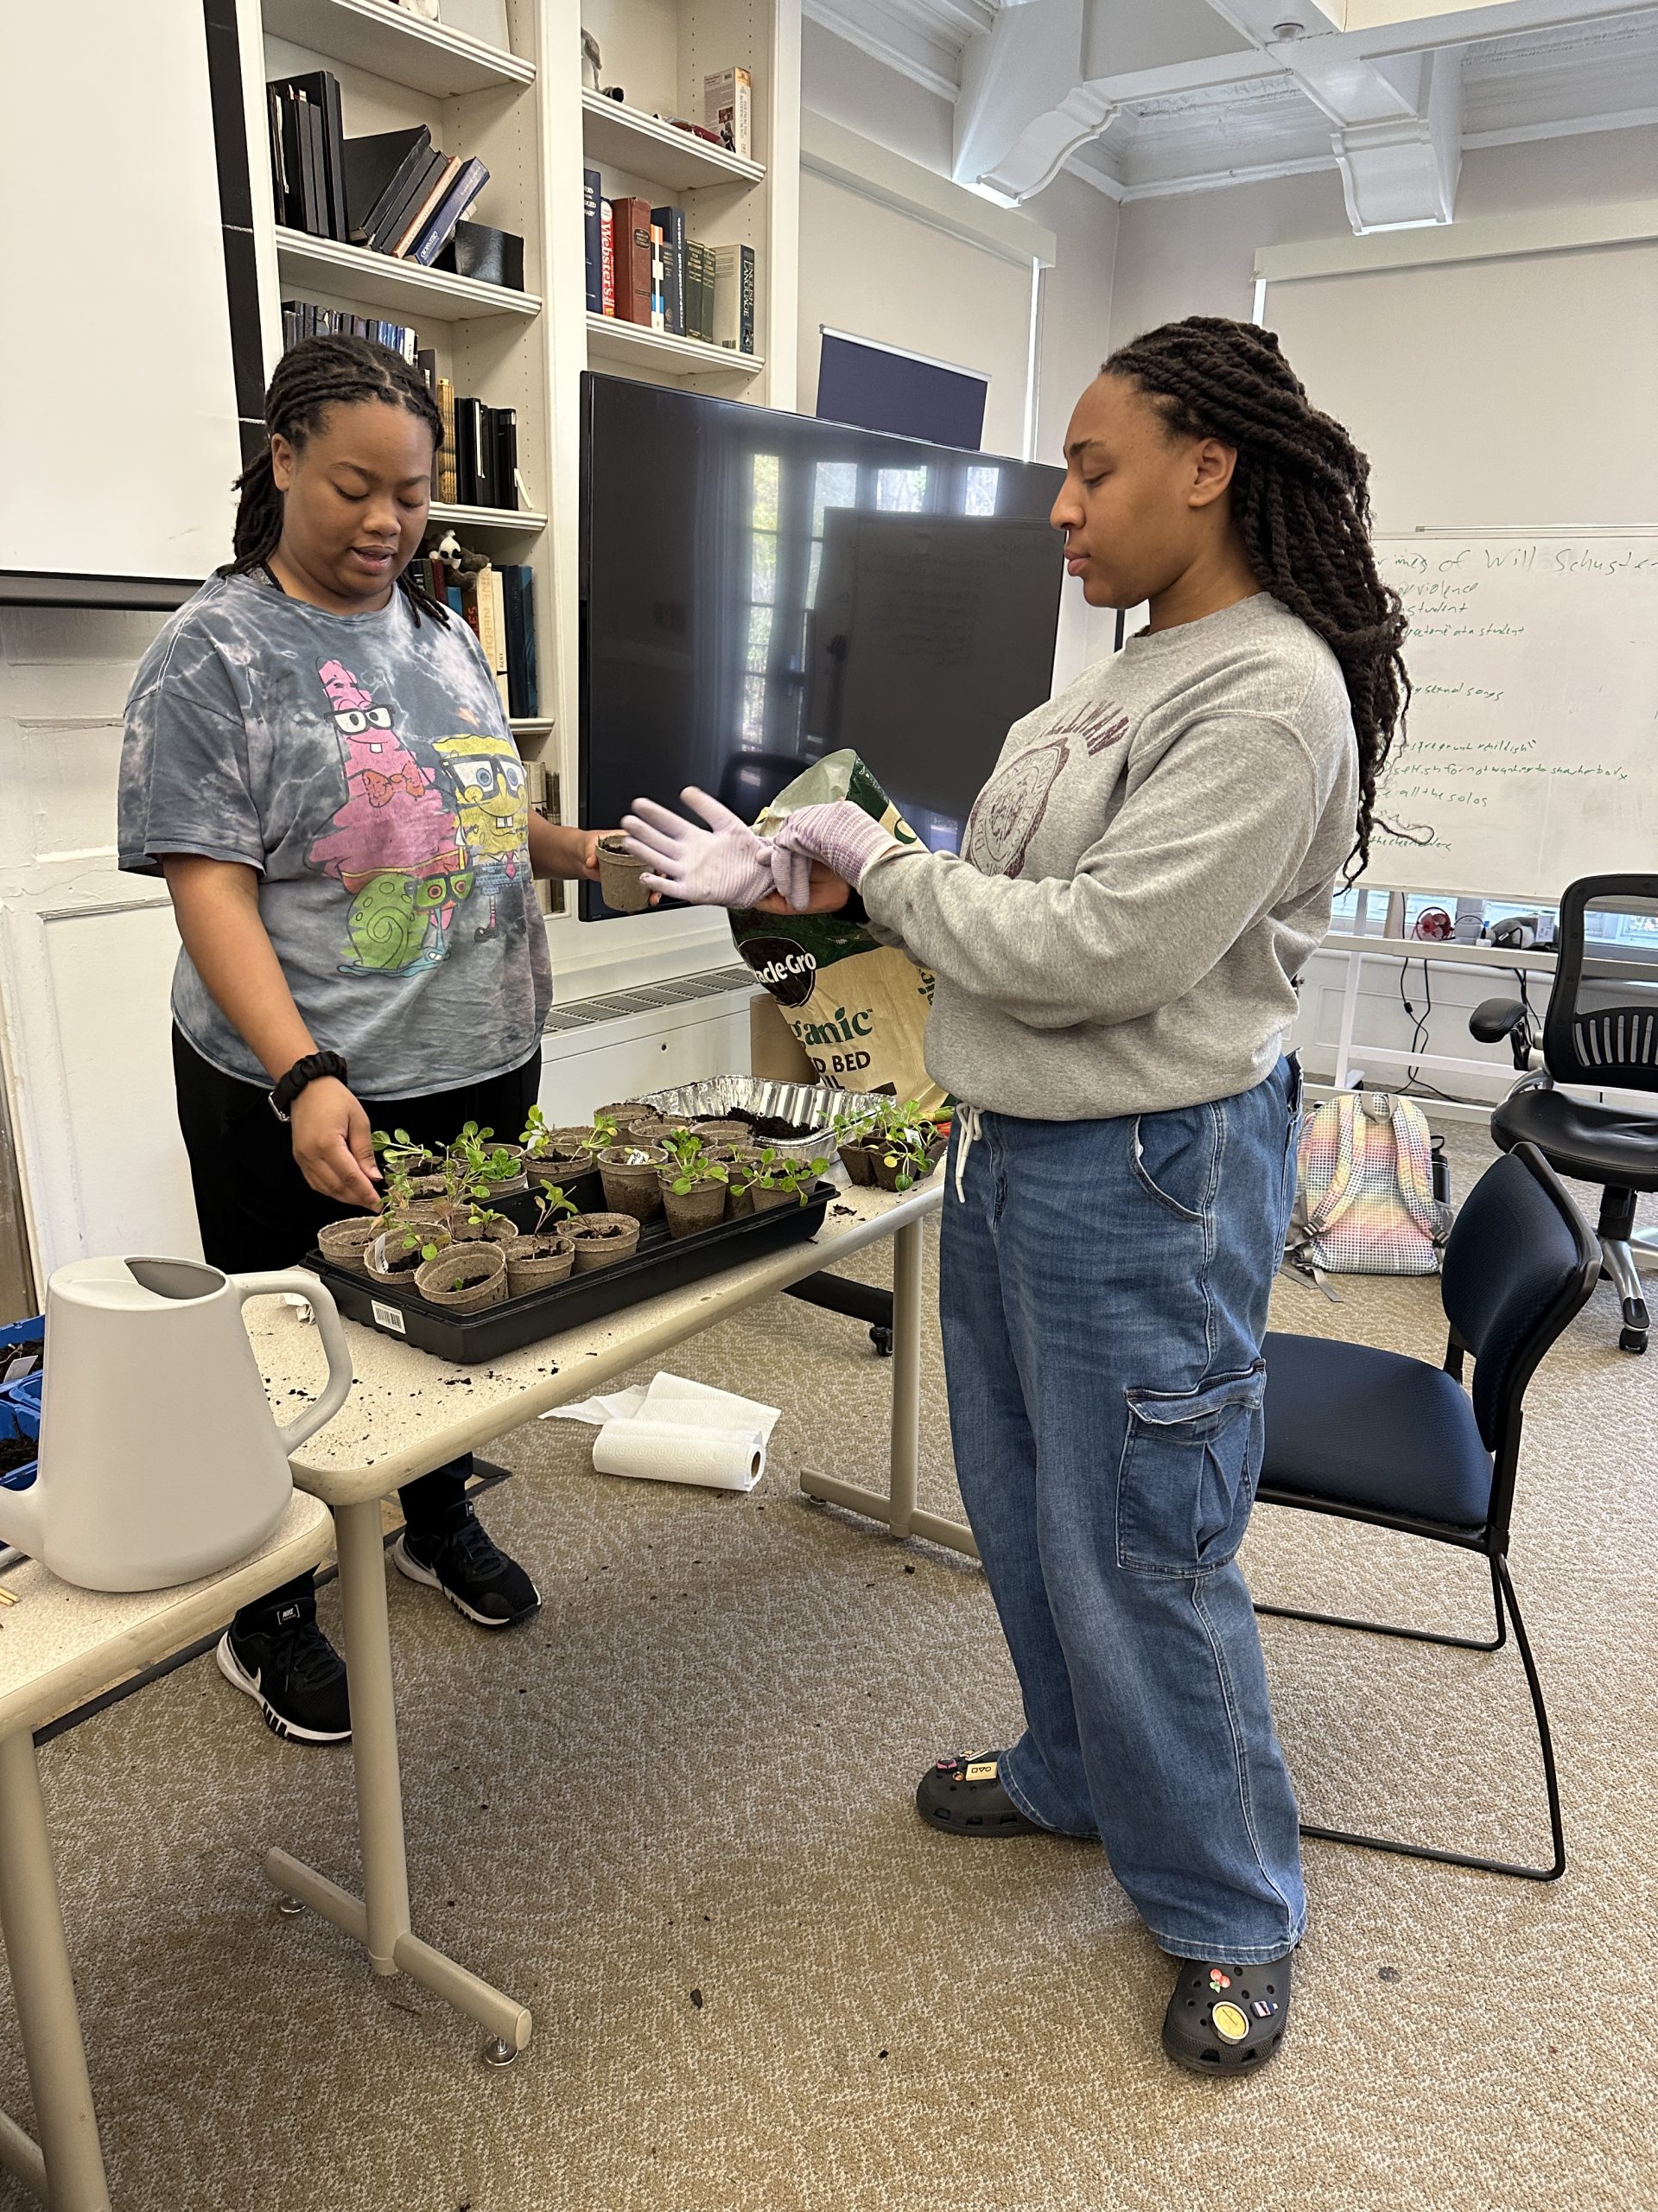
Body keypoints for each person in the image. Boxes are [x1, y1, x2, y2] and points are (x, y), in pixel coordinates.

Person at [620, 315, 1408, 2074]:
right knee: (1025, 1495)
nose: (1060, 506)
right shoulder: (1108, 683)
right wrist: (807, 876)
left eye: (1093, 465)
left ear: (1210, 466)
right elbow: (997, 894)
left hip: (1148, 1165)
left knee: (1143, 1544)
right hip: (1014, 1144)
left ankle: (1228, 1902)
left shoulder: (1271, 692)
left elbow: (1102, 950)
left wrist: (883, 866)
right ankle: (1072, 1769)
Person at [118, 334, 628, 1746]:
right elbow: (205, 880)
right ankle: (266, 1607)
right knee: (287, 1345)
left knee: (447, 1318)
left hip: (473, 1058)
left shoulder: (440, 628)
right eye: (354, 486)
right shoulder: (214, 651)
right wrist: (303, 1072)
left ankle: (430, 1513)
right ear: (281, 461)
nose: (386, 524)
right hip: (297, 1078)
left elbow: (473, 811)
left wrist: (583, 852)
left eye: (412, 496)